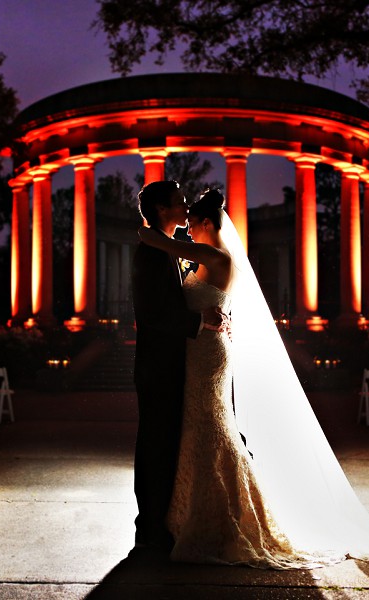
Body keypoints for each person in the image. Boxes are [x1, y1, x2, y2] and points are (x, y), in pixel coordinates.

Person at [138, 189, 369, 568]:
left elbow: (155, 241)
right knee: (205, 429)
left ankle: (217, 519)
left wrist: (151, 233)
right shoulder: (206, 257)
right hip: (201, 351)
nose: (187, 224)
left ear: (205, 223)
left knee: (210, 427)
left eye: (192, 220)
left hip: (208, 355)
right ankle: (199, 513)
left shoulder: (214, 256)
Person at [131, 180, 228, 551]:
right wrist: (201, 321)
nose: (186, 207)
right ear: (161, 209)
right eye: (179, 202)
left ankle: (165, 521)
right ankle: (150, 527)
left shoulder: (167, 248)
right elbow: (152, 314)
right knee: (156, 444)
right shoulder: (152, 251)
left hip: (178, 363)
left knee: (169, 443)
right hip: (158, 367)